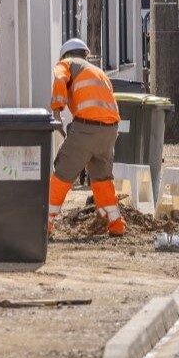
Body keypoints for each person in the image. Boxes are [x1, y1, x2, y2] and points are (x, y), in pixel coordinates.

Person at [47, 38, 125, 236]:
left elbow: (58, 77)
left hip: (86, 129)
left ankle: (45, 222)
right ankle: (115, 223)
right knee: (102, 178)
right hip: (110, 131)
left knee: (62, 173)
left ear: (66, 54)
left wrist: (57, 109)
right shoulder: (98, 71)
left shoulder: (68, 64)